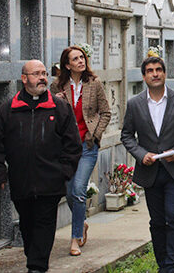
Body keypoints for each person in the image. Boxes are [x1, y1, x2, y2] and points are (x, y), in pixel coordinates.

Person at [0, 60, 82, 273]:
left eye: (44, 73)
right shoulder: (8, 110)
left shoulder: (59, 108)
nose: (42, 78)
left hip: (50, 181)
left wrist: (64, 172)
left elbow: (73, 144)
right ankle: (34, 257)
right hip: (21, 180)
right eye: (36, 74)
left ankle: (37, 267)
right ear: (24, 79)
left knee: (44, 223)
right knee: (28, 224)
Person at [121, 56, 174, 273]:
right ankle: (162, 264)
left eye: (158, 70)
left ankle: (172, 267)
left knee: (173, 216)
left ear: (165, 73)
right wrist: (140, 154)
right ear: (144, 76)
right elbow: (127, 135)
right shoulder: (135, 104)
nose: (155, 74)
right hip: (150, 172)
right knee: (157, 221)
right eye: (150, 70)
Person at [50, 46, 111, 256]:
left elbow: (106, 112)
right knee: (69, 192)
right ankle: (82, 223)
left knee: (78, 190)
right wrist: (56, 102)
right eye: (75, 59)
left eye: (82, 57)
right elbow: (48, 115)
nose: (80, 61)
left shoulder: (94, 84)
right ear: (67, 65)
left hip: (87, 147)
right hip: (65, 150)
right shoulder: (57, 87)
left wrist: (95, 135)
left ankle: (75, 239)